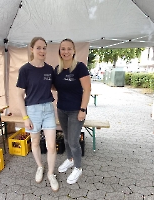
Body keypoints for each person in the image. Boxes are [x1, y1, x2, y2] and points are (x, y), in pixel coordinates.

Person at [16, 37, 59, 192]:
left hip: (48, 109)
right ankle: (40, 166)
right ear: (32, 49)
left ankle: (50, 173)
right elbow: (19, 95)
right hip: (32, 110)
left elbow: (54, 86)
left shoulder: (49, 69)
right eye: (39, 48)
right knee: (34, 143)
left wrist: (70, 84)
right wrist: (25, 117)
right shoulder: (25, 70)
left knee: (51, 145)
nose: (42, 51)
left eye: (44, 48)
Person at [53, 38, 91, 184]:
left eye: (69, 48)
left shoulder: (80, 67)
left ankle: (78, 167)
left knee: (74, 141)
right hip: (62, 109)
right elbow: (56, 87)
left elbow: (87, 89)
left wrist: (83, 109)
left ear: (74, 51)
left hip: (76, 110)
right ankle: (69, 159)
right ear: (60, 51)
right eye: (63, 49)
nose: (66, 51)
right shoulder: (58, 69)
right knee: (67, 138)